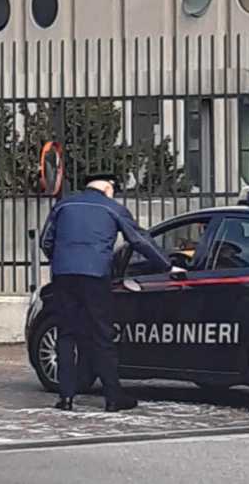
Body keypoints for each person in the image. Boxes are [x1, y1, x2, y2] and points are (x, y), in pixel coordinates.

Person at [40, 172, 176, 412]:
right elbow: (139, 240)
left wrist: (62, 260)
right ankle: (113, 397)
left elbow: (45, 241)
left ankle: (66, 397)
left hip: (63, 276)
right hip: (95, 276)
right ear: (109, 188)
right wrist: (165, 265)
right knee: (102, 334)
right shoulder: (112, 208)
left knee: (66, 334)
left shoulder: (64, 205)